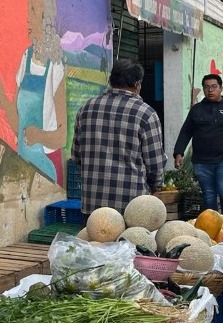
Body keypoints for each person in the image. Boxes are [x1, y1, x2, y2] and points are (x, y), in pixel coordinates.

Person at [0, 0, 67, 183]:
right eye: (28, 9)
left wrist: (39, 136)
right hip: (23, 163)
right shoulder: (25, 58)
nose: (28, 17)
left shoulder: (55, 66)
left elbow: (62, 136)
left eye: (33, 10)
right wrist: (5, 104)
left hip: (46, 166)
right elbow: (19, 124)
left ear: (45, 19)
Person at [71, 59, 166, 216]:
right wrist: (155, 188)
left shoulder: (86, 109)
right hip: (132, 206)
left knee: (95, 240)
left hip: (93, 205)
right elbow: (155, 164)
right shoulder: (146, 114)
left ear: (110, 81)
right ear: (137, 84)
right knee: (132, 241)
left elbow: (76, 157)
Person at [173, 74, 223, 214]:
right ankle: (213, 229)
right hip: (202, 162)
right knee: (208, 197)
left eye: (214, 87)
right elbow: (185, 132)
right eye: (206, 87)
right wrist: (179, 152)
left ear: (220, 88)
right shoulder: (196, 110)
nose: (210, 90)